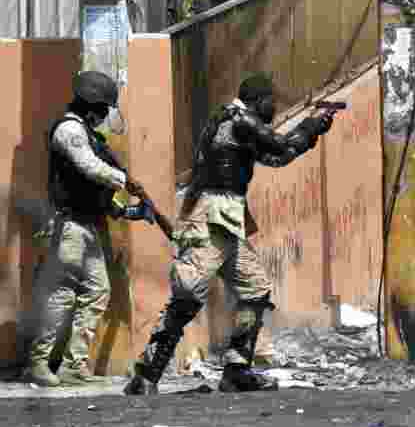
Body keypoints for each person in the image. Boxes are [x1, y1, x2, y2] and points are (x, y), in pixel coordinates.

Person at [124, 73, 334, 395]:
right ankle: (146, 375)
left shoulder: (238, 126)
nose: (273, 108)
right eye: (270, 102)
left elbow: (279, 157)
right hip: (208, 220)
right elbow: (279, 143)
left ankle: (237, 370)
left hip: (227, 222)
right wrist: (313, 124)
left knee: (255, 289)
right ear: (258, 100)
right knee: (189, 295)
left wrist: (313, 132)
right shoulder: (239, 120)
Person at [25, 71, 154, 387]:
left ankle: (73, 366)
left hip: (87, 225)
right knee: (63, 294)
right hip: (68, 226)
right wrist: (124, 180)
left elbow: (93, 190)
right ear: (93, 106)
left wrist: (129, 211)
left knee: (98, 292)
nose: (103, 118)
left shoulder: (87, 135)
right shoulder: (69, 130)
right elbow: (89, 168)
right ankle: (39, 363)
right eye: (103, 110)